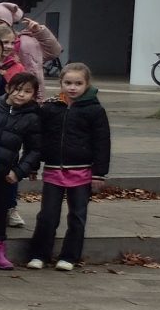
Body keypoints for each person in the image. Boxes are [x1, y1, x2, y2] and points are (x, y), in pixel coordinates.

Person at [27, 63, 109, 272]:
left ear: (87, 84)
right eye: (68, 83)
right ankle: (39, 254)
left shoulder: (94, 110)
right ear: (61, 83)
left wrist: (99, 173)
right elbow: (39, 139)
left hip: (82, 170)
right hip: (54, 168)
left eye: (78, 83)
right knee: (47, 215)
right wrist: (33, 165)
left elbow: (102, 142)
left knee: (77, 216)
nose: (73, 87)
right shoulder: (51, 107)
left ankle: (69, 256)